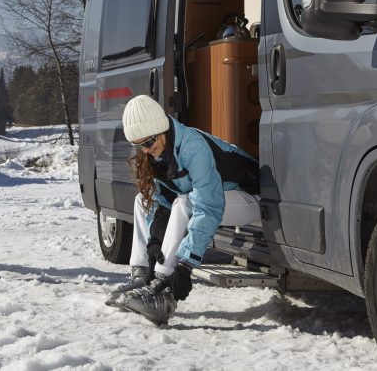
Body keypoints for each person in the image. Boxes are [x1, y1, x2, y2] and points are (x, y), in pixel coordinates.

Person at [106, 95, 261, 325]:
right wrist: (154, 244)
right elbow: (162, 202)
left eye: (148, 143)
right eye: (139, 146)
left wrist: (185, 265)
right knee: (143, 200)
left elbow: (207, 206)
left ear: (161, 131)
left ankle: (161, 288)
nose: (145, 151)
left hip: (251, 199)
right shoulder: (159, 153)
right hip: (217, 200)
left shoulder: (192, 147)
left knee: (186, 203)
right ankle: (142, 277)